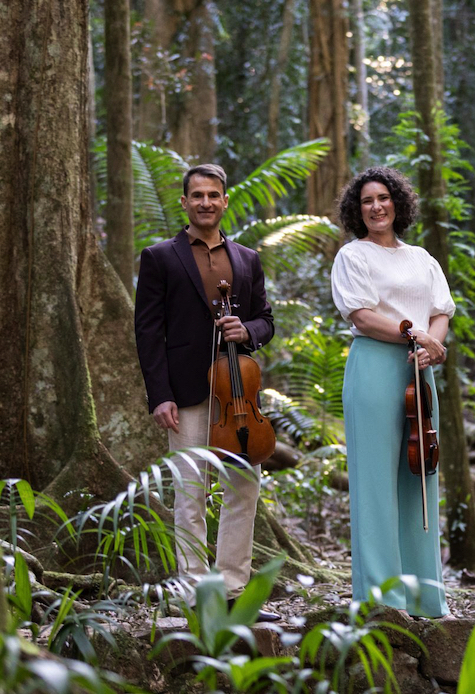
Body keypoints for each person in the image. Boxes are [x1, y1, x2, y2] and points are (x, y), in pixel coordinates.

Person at [134, 164, 279, 622]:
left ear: (225, 201)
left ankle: (233, 586)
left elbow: (266, 320)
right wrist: (160, 395)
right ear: (184, 202)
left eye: (214, 195)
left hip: (238, 395)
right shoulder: (159, 257)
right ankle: (193, 591)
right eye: (197, 195)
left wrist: (247, 330)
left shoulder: (247, 259)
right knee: (190, 492)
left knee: (243, 489)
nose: (205, 202)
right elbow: (148, 332)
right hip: (187, 393)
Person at [331, 167, 454, 618]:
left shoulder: (422, 257)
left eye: (383, 198)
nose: (377, 206)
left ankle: (425, 595)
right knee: (377, 483)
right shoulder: (353, 256)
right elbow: (361, 316)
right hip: (375, 370)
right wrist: (414, 335)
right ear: (356, 210)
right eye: (367, 201)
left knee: (420, 478)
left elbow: (441, 310)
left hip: (420, 371)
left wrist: (432, 345)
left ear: (397, 203)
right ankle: (383, 598)